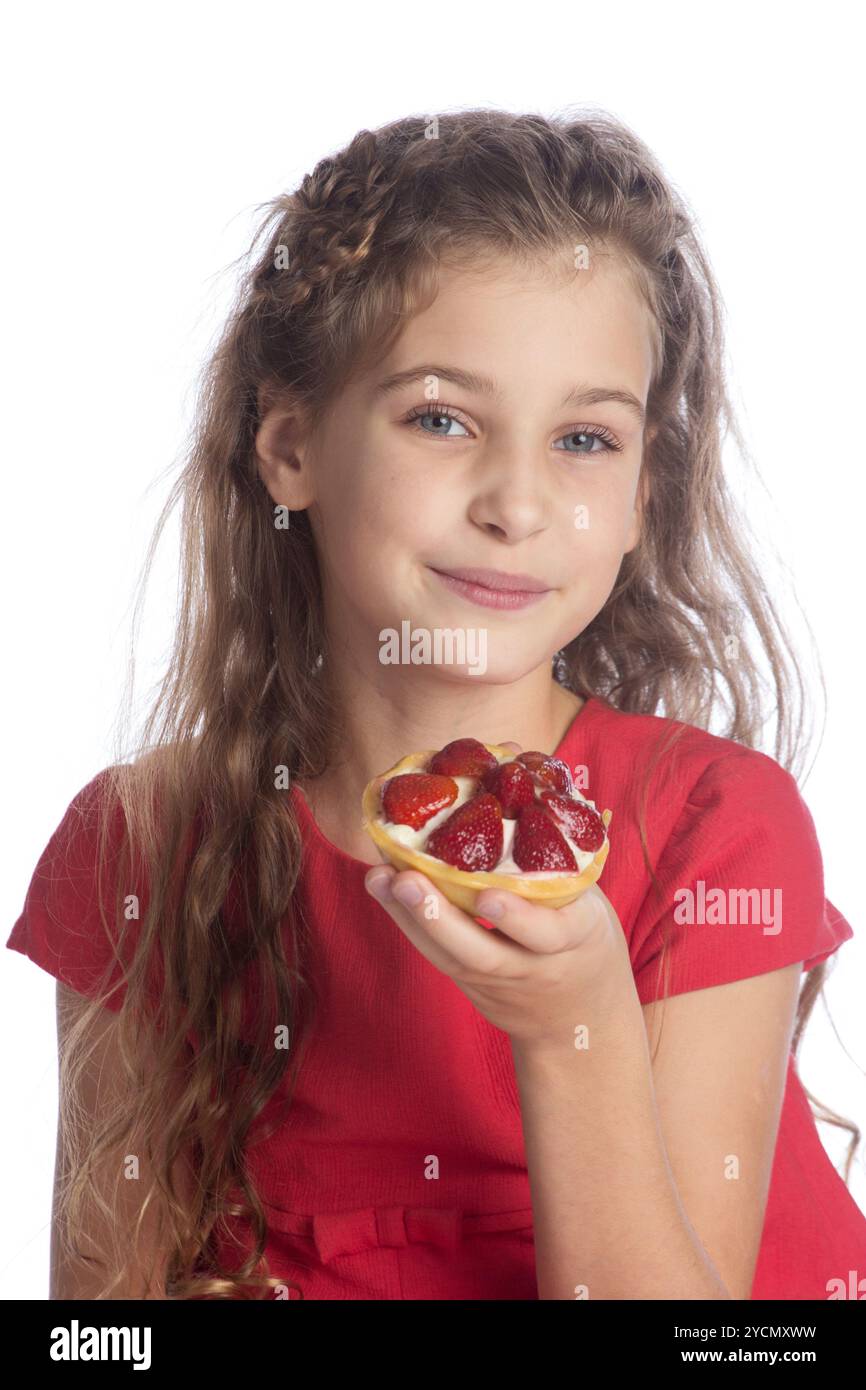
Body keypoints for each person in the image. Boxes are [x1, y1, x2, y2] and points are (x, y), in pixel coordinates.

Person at [8, 107, 866, 1300]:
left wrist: (576, 1030)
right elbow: (102, 1319)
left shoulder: (716, 827)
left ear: (636, 500)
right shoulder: (139, 848)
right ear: (292, 445)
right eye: (441, 418)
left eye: (582, 437)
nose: (516, 503)